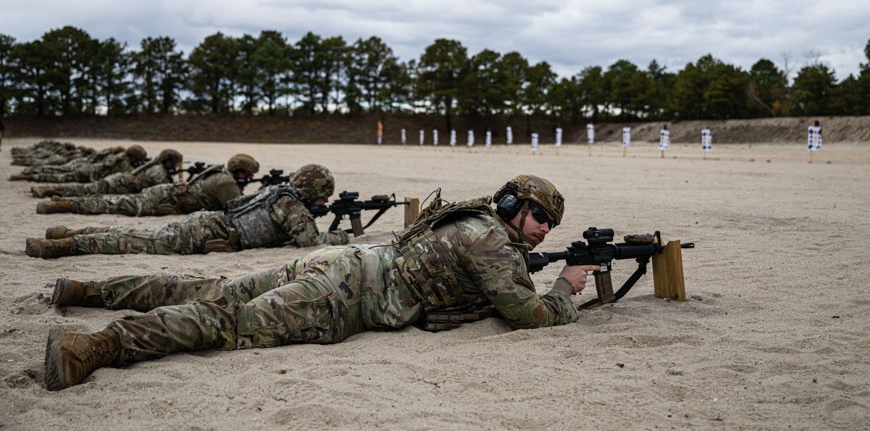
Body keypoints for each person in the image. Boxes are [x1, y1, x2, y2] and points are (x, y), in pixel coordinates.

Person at [42, 174, 601, 391]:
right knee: (229, 321)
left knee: (210, 287)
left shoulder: (471, 219)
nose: (543, 229)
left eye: (549, 224)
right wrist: (565, 289)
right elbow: (527, 315)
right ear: (512, 207)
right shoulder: (492, 240)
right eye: (538, 218)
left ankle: (87, 291)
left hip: (345, 262)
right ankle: (97, 345)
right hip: (342, 298)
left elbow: (473, 281)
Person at [25, 164, 347, 258]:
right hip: (207, 231)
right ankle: (62, 244)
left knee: (137, 236)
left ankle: (68, 233)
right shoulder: (291, 205)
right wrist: (341, 237)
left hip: (209, 223)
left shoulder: (279, 193)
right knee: (133, 242)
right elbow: (311, 243)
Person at [34, 153, 259, 216]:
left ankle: (62, 201)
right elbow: (236, 209)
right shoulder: (226, 182)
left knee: (113, 201)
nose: (248, 179)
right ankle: (61, 205)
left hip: (165, 194)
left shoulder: (221, 174)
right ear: (240, 171)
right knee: (112, 205)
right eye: (247, 176)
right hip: (164, 199)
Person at [30, 149, 183, 198]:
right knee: (83, 191)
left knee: (83, 190)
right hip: (117, 184)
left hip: (116, 180)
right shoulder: (158, 172)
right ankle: (48, 190)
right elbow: (162, 189)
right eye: (175, 163)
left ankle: (48, 189)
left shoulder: (155, 167)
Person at [11, 145, 147, 183]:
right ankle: (30, 175)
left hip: (88, 169)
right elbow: (128, 174)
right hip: (89, 174)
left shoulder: (118, 156)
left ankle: (31, 172)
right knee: (59, 176)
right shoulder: (123, 161)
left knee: (59, 171)